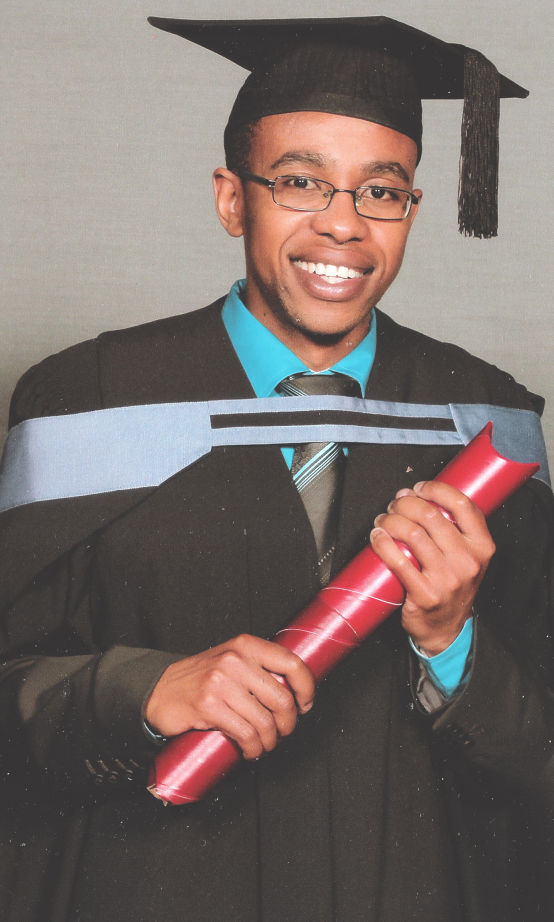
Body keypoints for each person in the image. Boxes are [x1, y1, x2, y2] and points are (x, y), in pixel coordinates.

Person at [0, 15, 551, 922]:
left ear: (411, 211)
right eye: (300, 182)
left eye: (381, 192)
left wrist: (453, 643)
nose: (341, 225)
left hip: (408, 890)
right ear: (231, 199)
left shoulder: (483, 420)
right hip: (152, 892)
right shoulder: (90, 397)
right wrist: (139, 689)